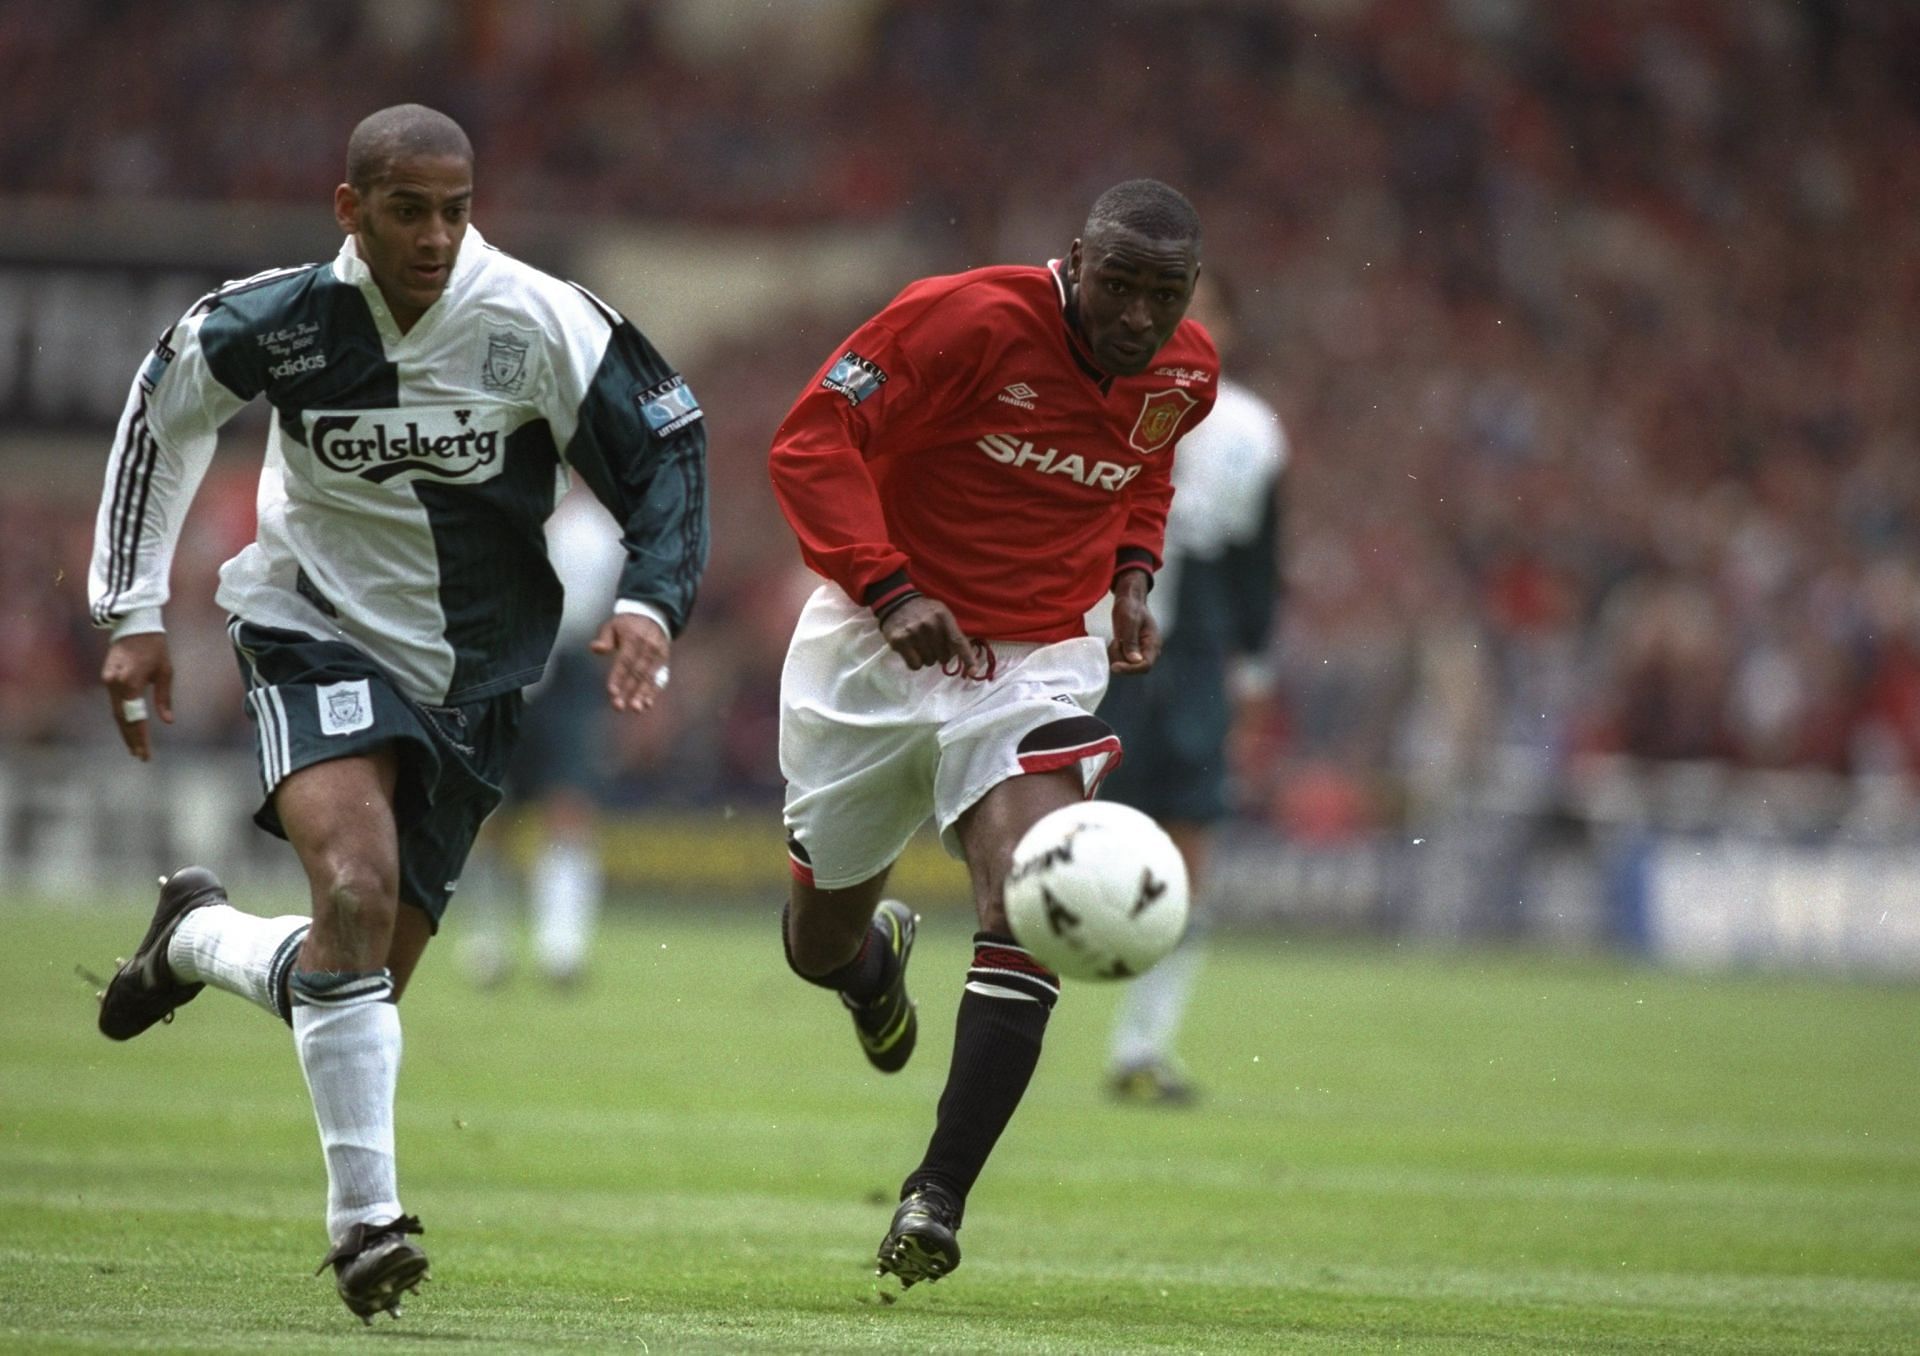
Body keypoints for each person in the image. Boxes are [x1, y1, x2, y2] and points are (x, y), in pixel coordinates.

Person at [86, 104, 707, 1323]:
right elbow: (166, 406)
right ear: (350, 208)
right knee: (356, 894)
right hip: (311, 627)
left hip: (478, 674)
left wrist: (653, 600)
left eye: (455, 209)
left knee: (351, 970)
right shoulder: (282, 320)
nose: (435, 235)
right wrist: (132, 609)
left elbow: (669, 449)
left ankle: (197, 938)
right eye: (409, 209)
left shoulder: (539, 320)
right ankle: (367, 1226)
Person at [767, 179, 1216, 1289]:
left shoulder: (1188, 371)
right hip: (879, 645)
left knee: (1031, 891)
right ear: (1073, 259)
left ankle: (938, 1194)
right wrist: (886, 585)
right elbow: (811, 440)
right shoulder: (962, 319)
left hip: (1035, 662)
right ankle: (873, 974)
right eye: (1119, 284)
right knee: (815, 942)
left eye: (1164, 295)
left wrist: (1131, 572)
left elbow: (1144, 463)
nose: (1139, 317)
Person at [1095, 271, 1287, 1105]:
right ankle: (1008, 1032)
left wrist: (1251, 674)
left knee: (1187, 856)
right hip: (1091, 659)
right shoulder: (1098, 405)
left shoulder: (1251, 433)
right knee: (1046, 841)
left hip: (1196, 665)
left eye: (1206, 310)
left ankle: (1141, 1047)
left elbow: (1257, 567)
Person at [463, 486, 626, 989]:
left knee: (569, 803)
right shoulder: (494, 505)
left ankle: (562, 949)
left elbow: (589, 605)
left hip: (568, 667)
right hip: (501, 662)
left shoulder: (593, 528)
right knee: (493, 811)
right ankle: (487, 939)